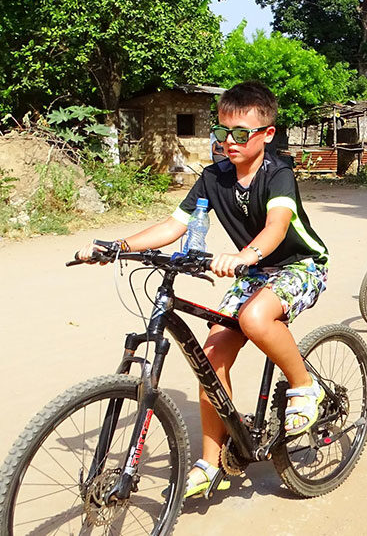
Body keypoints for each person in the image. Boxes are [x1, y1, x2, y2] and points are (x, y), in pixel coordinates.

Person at [76, 81, 329, 499]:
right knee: (210, 359)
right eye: (222, 132)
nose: (229, 142)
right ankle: (211, 463)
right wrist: (116, 247)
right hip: (253, 270)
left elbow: (277, 227)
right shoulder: (213, 177)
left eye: (241, 134)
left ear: (267, 134)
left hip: (298, 265)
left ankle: (305, 385)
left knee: (254, 317)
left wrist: (245, 256)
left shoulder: (277, 173)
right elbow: (174, 226)